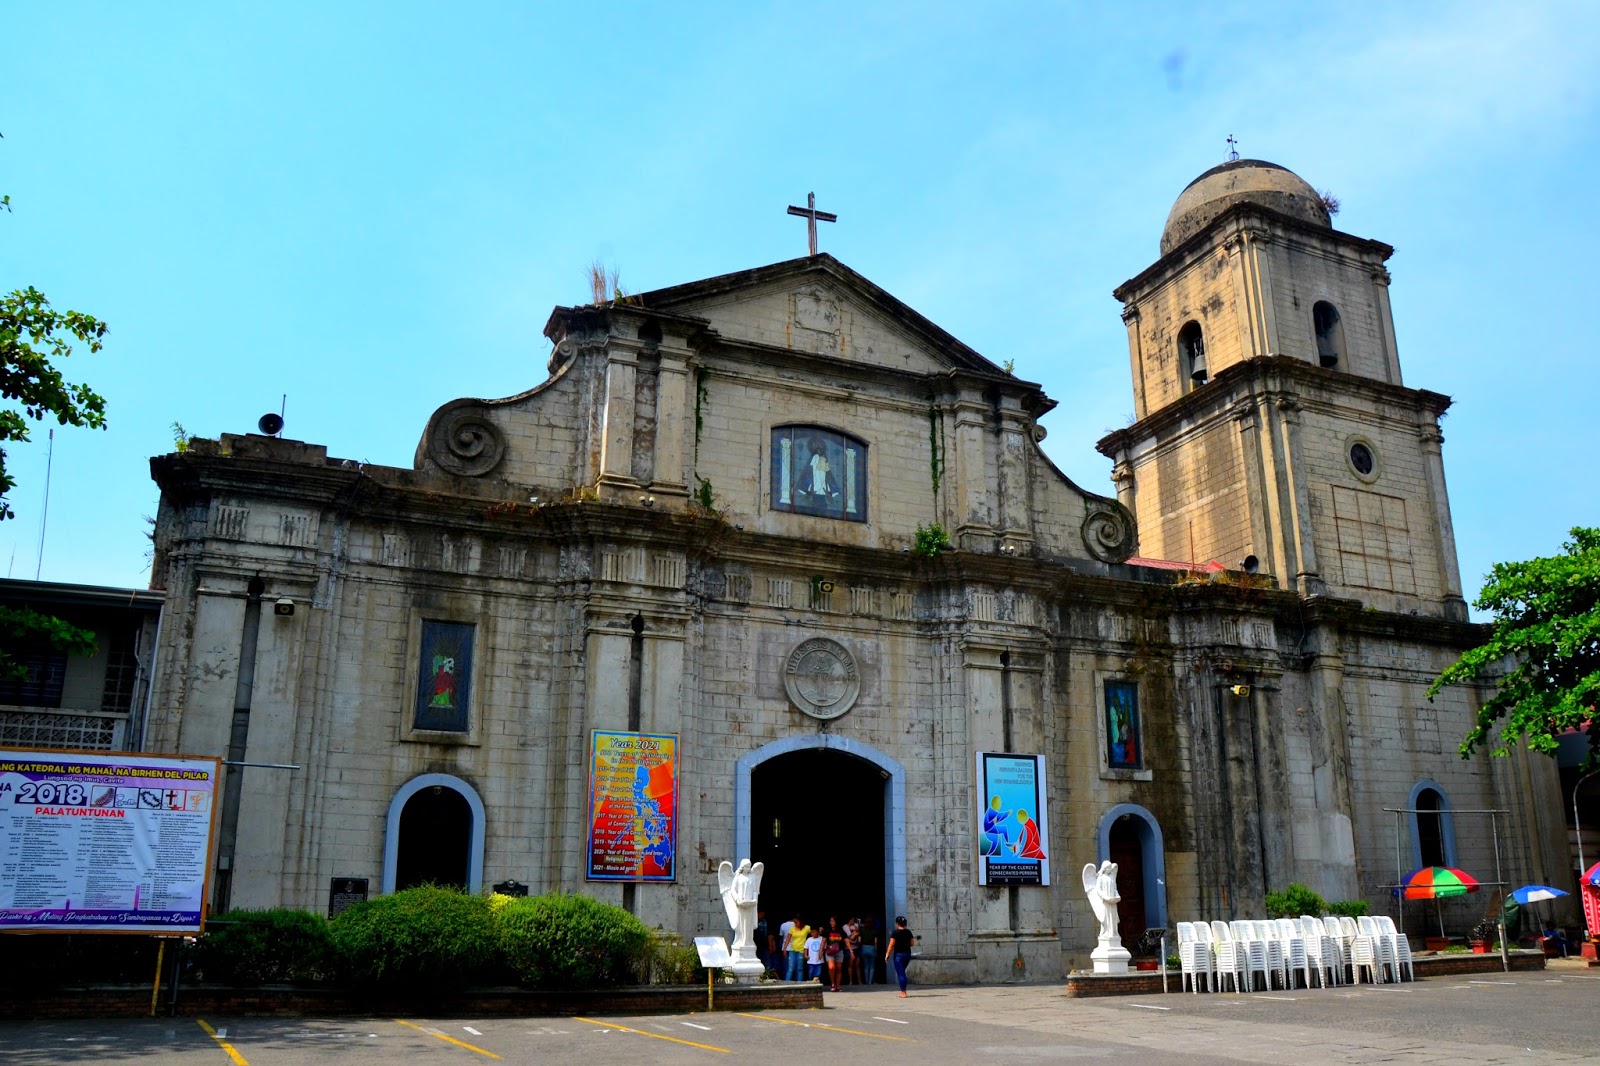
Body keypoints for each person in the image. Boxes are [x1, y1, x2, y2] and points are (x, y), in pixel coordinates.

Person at [888, 915, 916, 997]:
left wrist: (887, 955)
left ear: (897, 923)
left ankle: (903, 992)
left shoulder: (895, 933)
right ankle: (903, 990)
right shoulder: (908, 932)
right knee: (902, 971)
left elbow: (891, 945)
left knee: (901, 973)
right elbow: (912, 943)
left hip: (898, 955)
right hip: (907, 954)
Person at [824, 915, 847, 992]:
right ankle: (832, 983)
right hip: (830, 951)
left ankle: (838, 985)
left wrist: (851, 951)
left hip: (839, 951)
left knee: (839, 969)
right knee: (831, 967)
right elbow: (823, 941)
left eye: (833, 921)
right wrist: (820, 951)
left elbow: (846, 940)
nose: (831, 922)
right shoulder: (828, 930)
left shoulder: (841, 931)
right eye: (830, 921)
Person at [784, 914, 809, 982]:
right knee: (791, 968)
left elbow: (814, 933)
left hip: (801, 950)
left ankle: (799, 983)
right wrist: (785, 949)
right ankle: (787, 983)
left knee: (800, 968)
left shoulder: (806, 928)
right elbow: (788, 939)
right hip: (793, 950)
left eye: (796, 922)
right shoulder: (792, 928)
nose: (795, 924)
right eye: (794, 922)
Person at [858, 914, 878, 985]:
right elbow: (875, 942)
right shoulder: (874, 930)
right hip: (872, 947)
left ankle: (866, 981)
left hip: (864, 947)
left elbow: (859, 940)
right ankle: (870, 982)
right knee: (872, 966)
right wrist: (875, 950)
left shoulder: (862, 930)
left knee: (866, 966)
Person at [844, 916, 863, 985]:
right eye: (852, 920)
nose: (854, 921)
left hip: (857, 947)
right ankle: (851, 981)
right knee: (850, 964)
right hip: (849, 948)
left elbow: (859, 931)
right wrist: (856, 933)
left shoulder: (856, 925)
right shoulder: (845, 927)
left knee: (857, 964)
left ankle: (859, 981)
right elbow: (850, 937)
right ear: (849, 920)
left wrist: (856, 932)